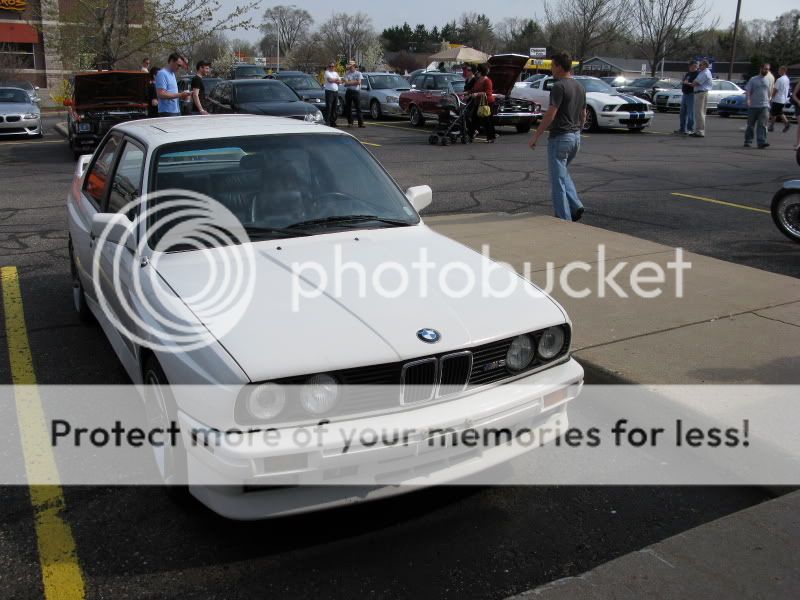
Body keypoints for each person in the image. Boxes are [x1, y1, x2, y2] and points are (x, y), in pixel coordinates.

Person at [528, 51, 586, 222]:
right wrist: (578, 131)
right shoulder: (579, 86)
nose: (551, 69)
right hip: (575, 137)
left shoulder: (559, 86)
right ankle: (575, 205)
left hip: (560, 137)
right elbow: (583, 114)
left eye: (552, 66)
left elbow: (550, 114)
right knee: (562, 173)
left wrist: (536, 136)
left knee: (557, 180)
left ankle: (563, 218)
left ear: (559, 67)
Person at [744, 63, 772, 149]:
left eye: (768, 69)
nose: (766, 71)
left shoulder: (768, 80)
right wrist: (748, 100)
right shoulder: (753, 79)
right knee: (750, 125)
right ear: (761, 69)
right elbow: (748, 91)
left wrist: (769, 101)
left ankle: (761, 142)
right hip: (753, 106)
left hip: (764, 106)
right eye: (765, 69)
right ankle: (748, 141)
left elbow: (769, 92)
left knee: (762, 125)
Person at [155, 52, 190, 117]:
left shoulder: (172, 74)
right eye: (178, 65)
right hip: (166, 112)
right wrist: (180, 94)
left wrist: (183, 96)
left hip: (176, 110)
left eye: (180, 66)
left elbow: (172, 92)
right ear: (171, 61)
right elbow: (161, 94)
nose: (179, 68)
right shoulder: (162, 73)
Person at [470, 63, 496, 143]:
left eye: (477, 71)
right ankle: (472, 133)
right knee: (474, 118)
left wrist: (477, 94)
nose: (476, 73)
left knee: (487, 120)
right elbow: (473, 89)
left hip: (487, 103)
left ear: (480, 72)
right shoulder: (478, 80)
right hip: (478, 102)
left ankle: (491, 137)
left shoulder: (487, 80)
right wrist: (466, 93)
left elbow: (488, 93)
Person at [689, 59, 712, 137]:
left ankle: (700, 131)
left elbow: (695, 83)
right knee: (699, 113)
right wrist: (693, 82)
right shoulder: (702, 72)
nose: (699, 66)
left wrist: (692, 83)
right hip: (700, 93)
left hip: (701, 93)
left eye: (701, 65)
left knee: (699, 113)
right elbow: (694, 82)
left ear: (705, 65)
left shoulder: (705, 73)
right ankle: (698, 130)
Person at [674, 60, 698, 135]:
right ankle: (682, 129)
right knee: (682, 113)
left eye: (692, 65)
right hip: (685, 94)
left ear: (695, 66)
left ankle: (690, 129)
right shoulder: (688, 73)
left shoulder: (697, 74)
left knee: (690, 113)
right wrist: (683, 82)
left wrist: (687, 83)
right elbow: (685, 81)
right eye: (689, 66)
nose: (690, 67)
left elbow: (694, 84)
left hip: (691, 94)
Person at [768, 66, 791, 133]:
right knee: (779, 112)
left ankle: (772, 126)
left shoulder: (779, 80)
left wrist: (771, 98)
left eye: (779, 70)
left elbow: (775, 90)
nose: (778, 71)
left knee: (773, 113)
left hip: (777, 99)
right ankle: (786, 124)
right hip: (783, 99)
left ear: (783, 70)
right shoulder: (787, 79)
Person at [342, 61, 365, 128]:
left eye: (351, 67)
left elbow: (359, 82)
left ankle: (361, 123)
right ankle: (350, 122)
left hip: (356, 92)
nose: (350, 68)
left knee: (358, 107)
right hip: (349, 91)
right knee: (348, 108)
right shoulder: (347, 73)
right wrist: (354, 82)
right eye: (349, 67)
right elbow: (345, 83)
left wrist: (350, 82)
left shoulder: (358, 73)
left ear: (354, 66)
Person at [323, 62, 341, 127]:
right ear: (328, 67)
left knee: (334, 107)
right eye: (330, 66)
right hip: (329, 92)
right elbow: (329, 80)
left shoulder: (336, 73)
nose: (331, 67)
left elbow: (340, 81)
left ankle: (333, 122)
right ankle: (327, 122)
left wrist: (335, 80)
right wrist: (336, 80)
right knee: (329, 107)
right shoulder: (327, 72)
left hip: (335, 92)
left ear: (334, 67)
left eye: (332, 66)